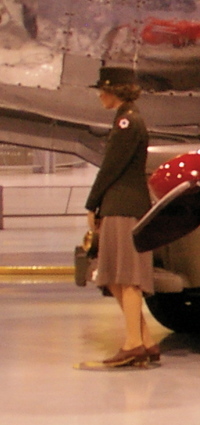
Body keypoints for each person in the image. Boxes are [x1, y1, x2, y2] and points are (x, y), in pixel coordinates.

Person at [80, 66, 159, 369]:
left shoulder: (127, 122)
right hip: (119, 206)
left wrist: (92, 203)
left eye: (103, 89)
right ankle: (145, 340)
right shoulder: (125, 119)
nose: (100, 95)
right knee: (114, 277)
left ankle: (133, 344)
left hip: (123, 207)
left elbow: (111, 167)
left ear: (117, 91)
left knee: (126, 278)